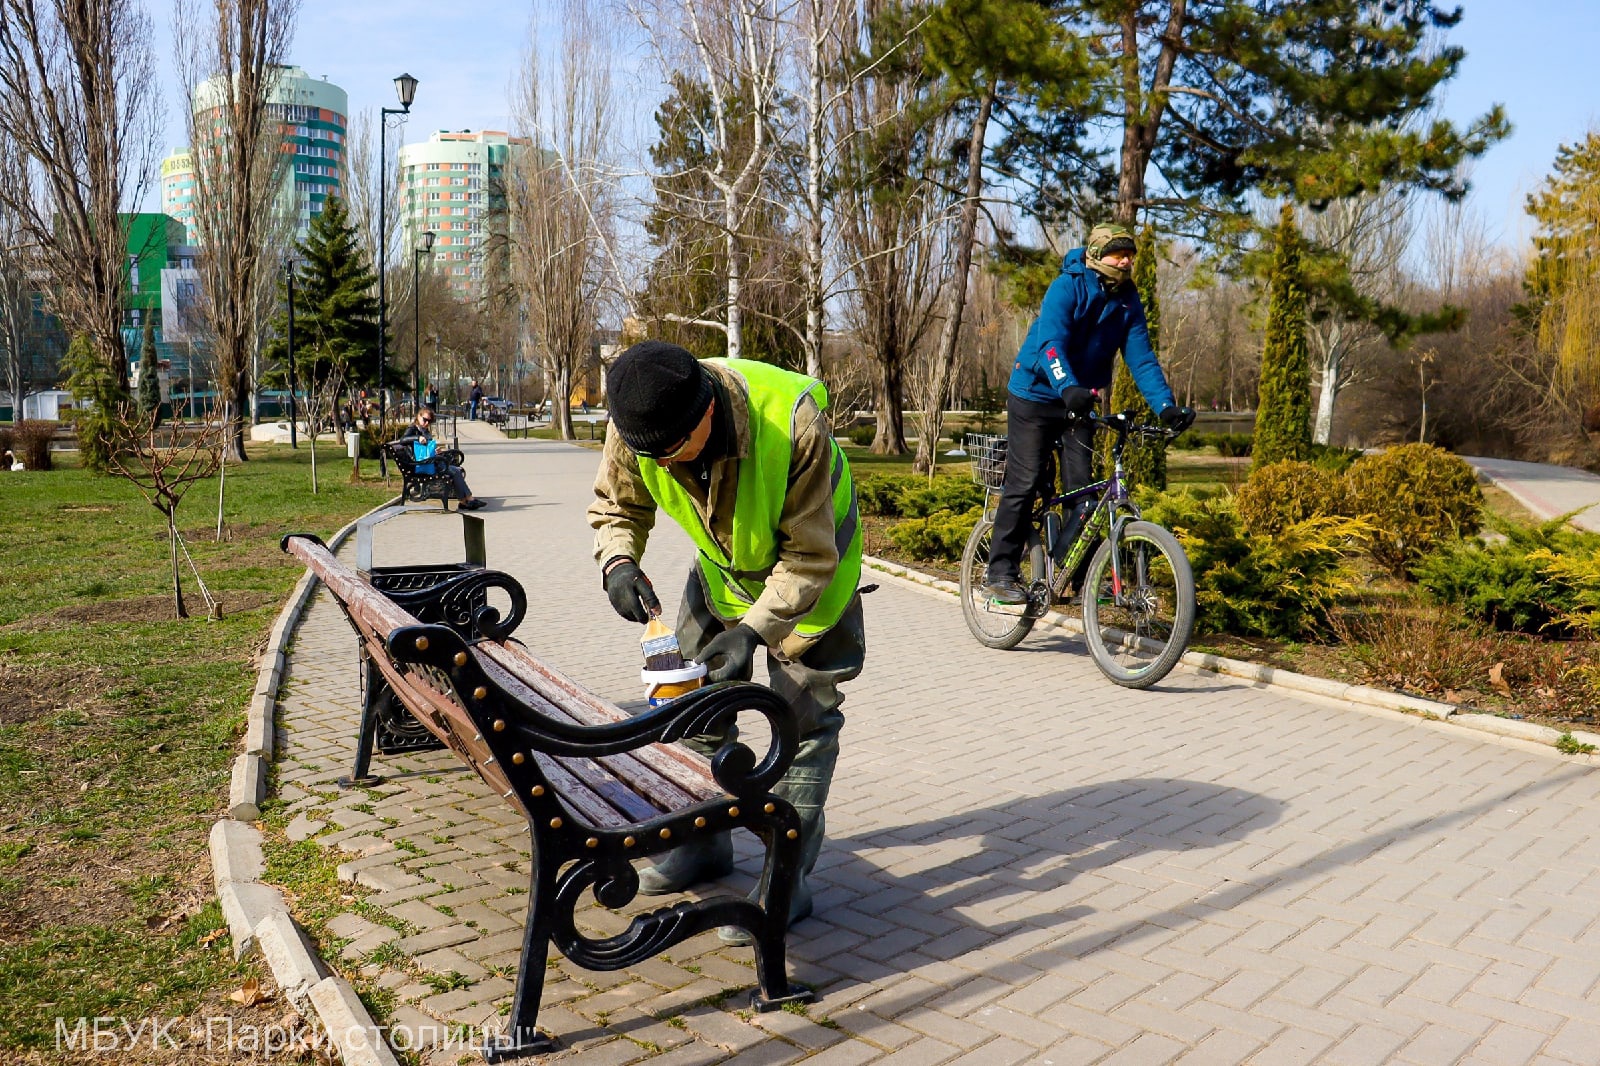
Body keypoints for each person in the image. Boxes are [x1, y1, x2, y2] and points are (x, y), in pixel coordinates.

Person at [589, 341, 865, 944]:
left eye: (670, 452)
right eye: (647, 454)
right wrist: (617, 561)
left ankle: (786, 878)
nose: (658, 465)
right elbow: (617, 504)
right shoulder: (640, 422)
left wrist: (752, 632)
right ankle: (703, 842)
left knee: (803, 725)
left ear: (705, 414)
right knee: (692, 704)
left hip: (815, 579)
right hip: (722, 574)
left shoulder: (791, 424)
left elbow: (809, 558)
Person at [983, 223, 1195, 604]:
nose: (1127, 260)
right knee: (1025, 480)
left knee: (1082, 496)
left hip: (1078, 403)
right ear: (1097, 256)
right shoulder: (1068, 286)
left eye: (1130, 253)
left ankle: (1070, 574)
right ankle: (999, 573)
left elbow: (1141, 358)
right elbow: (1050, 345)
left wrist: (1165, 407)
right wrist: (1068, 387)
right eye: (1118, 253)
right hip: (1035, 395)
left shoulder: (1128, 299)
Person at [398, 409, 485, 510]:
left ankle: (466, 501)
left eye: (429, 421)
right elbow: (403, 440)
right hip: (419, 466)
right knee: (455, 471)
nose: (427, 423)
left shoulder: (424, 430)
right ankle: (467, 500)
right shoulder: (412, 428)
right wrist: (418, 438)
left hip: (428, 463)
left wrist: (435, 451)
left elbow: (425, 449)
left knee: (456, 470)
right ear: (418, 416)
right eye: (425, 420)